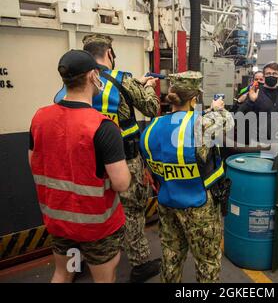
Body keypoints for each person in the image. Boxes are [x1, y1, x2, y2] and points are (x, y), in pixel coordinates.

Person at [55, 34, 161, 282]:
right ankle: (139, 264)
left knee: (84, 211)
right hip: (125, 160)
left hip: (85, 163)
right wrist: (145, 86)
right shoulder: (122, 79)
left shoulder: (68, 86)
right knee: (132, 211)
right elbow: (152, 108)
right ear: (110, 53)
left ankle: (75, 262)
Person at [29, 50, 131, 283]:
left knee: (65, 272)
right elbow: (122, 183)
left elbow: (35, 163)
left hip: (61, 224)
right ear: (94, 76)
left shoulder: (39, 118)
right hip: (97, 230)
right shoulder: (103, 127)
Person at [140, 71, 234, 283]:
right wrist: (217, 109)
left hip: (167, 202)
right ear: (194, 99)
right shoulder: (203, 125)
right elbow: (227, 121)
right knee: (207, 262)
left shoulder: (151, 128)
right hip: (200, 205)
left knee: (171, 257)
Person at [237, 61, 278, 143]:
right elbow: (239, 115)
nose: (271, 76)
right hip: (258, 142)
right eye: (268, 73)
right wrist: (251, 101)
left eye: (274, 73)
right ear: (264, 76)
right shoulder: (255, 93)